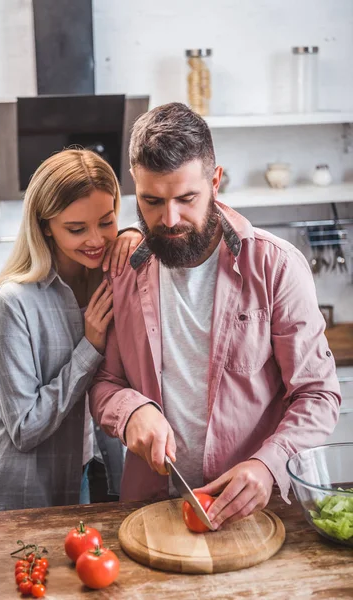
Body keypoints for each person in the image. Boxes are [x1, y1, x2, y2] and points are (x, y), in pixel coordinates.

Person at [89, 102, 341, 530]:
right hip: (150, 513)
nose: (169, 219)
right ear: (135, 187)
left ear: (215, 181)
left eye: (187, 198)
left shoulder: (276, 267)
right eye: (151, 201)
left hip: (259, 514)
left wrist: (268, 464)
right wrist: (130, 410)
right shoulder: (124, 271)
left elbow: (318, 396)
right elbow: (105, 384)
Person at [0, 149, 142, 512]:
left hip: (90, 472)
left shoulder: (112, 278)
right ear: (45, 225)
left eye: (106, 221)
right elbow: (24, 428)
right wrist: (89, 346)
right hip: (20, 489)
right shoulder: (13, 301)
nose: (96, 240)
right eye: (76, 229)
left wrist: (135, 236)